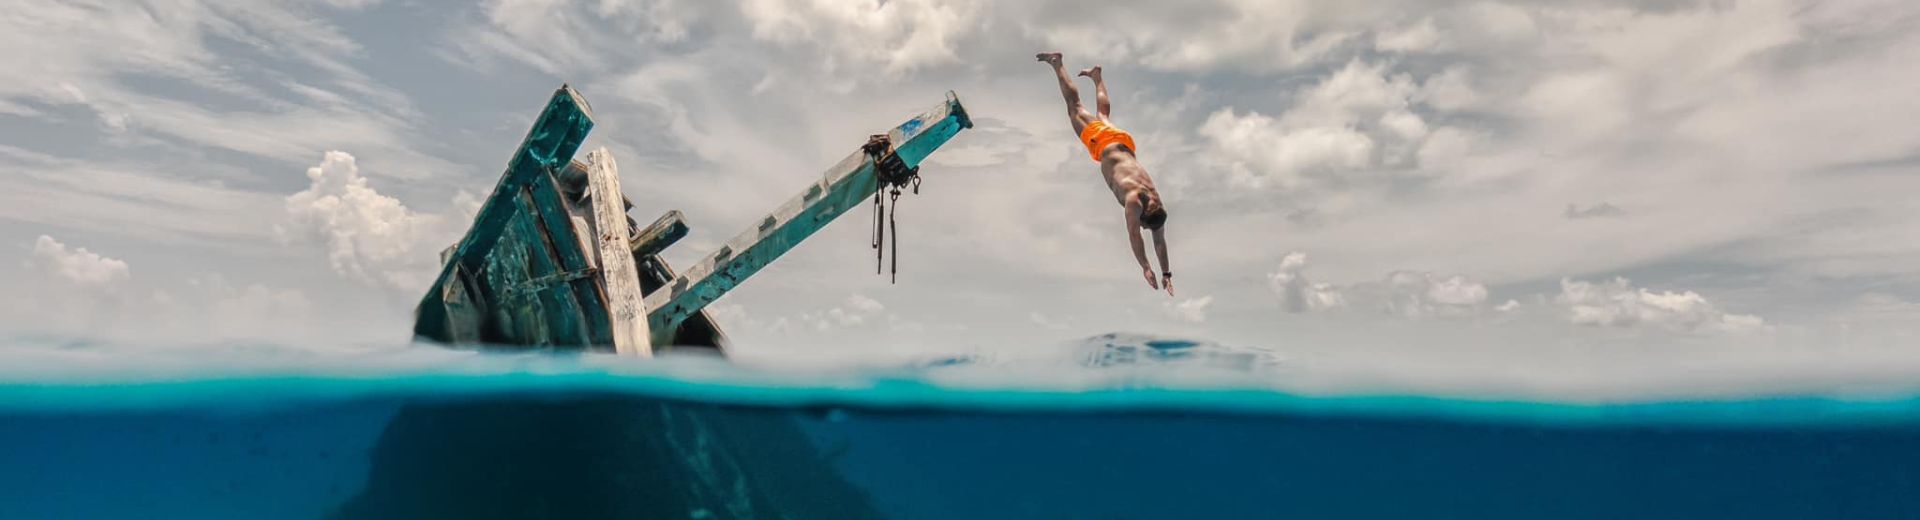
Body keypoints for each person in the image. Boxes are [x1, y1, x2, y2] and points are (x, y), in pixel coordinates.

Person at [1036, 52, 1173, 296]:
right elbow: (1134, 235)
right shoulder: (1133, 201)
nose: (1143, 228)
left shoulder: (1157, 205)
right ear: (1143, 217)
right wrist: (1145, 267)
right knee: (1074, 107)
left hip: (1125, 142)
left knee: (1103, 116)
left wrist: (1166, 274)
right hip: (1104, 143)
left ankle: (1097, 77)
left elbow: (1159, 240)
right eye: (1144, 226)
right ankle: (1057, 64)